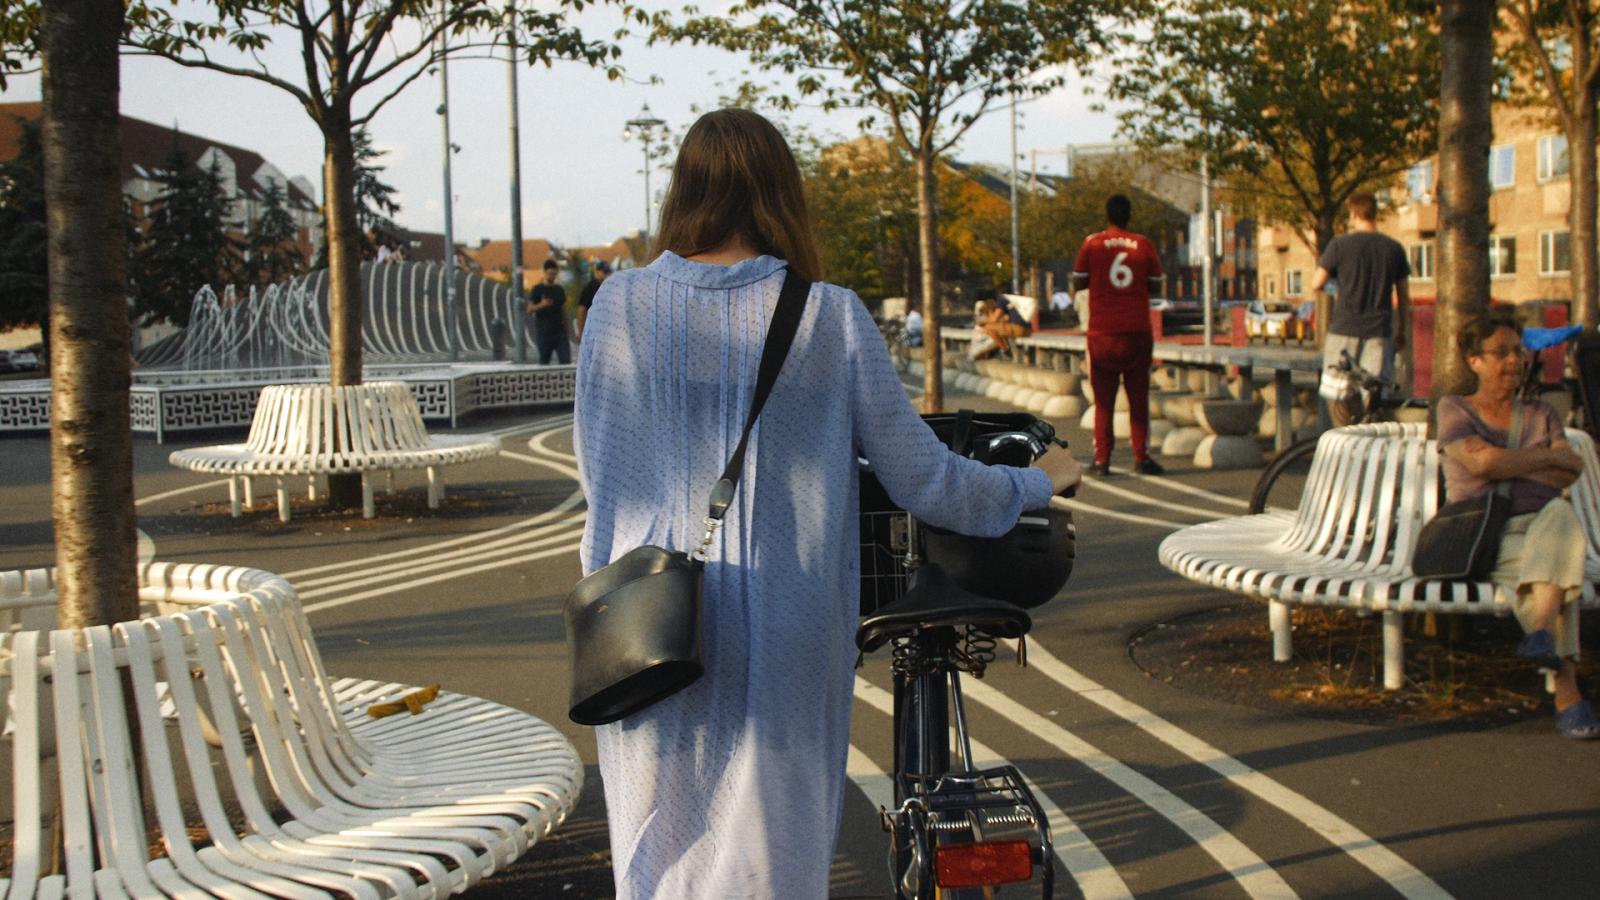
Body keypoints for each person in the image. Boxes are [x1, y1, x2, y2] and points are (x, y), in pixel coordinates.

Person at [574, 108, 1082, 898]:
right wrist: (1037, 479)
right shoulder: (828, 315)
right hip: (787, 633)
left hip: (645, 623)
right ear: (784, 194)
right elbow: (925, 479)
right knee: (773, 856)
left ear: (684, 189)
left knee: (659, 848)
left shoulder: (618, 308)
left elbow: (600, 473)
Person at [1436, 309, 1599, 740]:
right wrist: (1541, 459)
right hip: (1491, 533)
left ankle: (1541, 636)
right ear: (1475, 361)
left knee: (1561, 515)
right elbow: (1482, 462)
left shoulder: (1542, 412)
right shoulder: (1455, 409)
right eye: (1501, 353)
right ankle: (1566, 690)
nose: (1515, 360)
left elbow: (1571, 468)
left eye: (1518, 351)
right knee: (1557, 576)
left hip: (1546, 523)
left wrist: (1506, 465)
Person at [1072, 194, 1165, 477]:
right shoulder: (1143, 244)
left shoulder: (1092, 243)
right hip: (1137, 330)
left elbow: (1078, 281)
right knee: (1138, 399)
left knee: (1103, 402)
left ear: (1108, 215)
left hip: (1102, 334)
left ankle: (1102, 460)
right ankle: (1141, 456)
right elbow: (1156, 286)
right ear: (1130, 215)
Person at [1310, 191, 1410, 425]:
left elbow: (1317, 282)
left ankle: (1344, 444)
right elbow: (1404, 298)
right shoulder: (1394, 249)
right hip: (1379, 332)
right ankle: (1368, 450)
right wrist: (1401, 330)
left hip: (1344, 329)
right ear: (1375, 214)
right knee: (1374, 400)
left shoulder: (1339, 245)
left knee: (1337, 396)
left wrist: (1338, 286)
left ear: (1354, 214)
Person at [527, 258, 570, 364]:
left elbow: (563, 309)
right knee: (544, 362)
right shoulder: (537, 289)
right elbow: (529, 309)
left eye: (554, 274)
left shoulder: (559, 289)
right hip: (544, 332)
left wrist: (567, 329)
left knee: (565, 361)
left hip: (559, 332)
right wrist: (542, 305)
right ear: (545, 272)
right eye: (550, 274)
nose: (552, 277)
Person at [575, 259, 609, 342]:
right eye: (604, 272)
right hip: (593, 330)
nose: (606, 275)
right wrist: (581, 332)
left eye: (607, 272)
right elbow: (581, 310)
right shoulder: (590, 288)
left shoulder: (609, 286)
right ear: (597, 272)